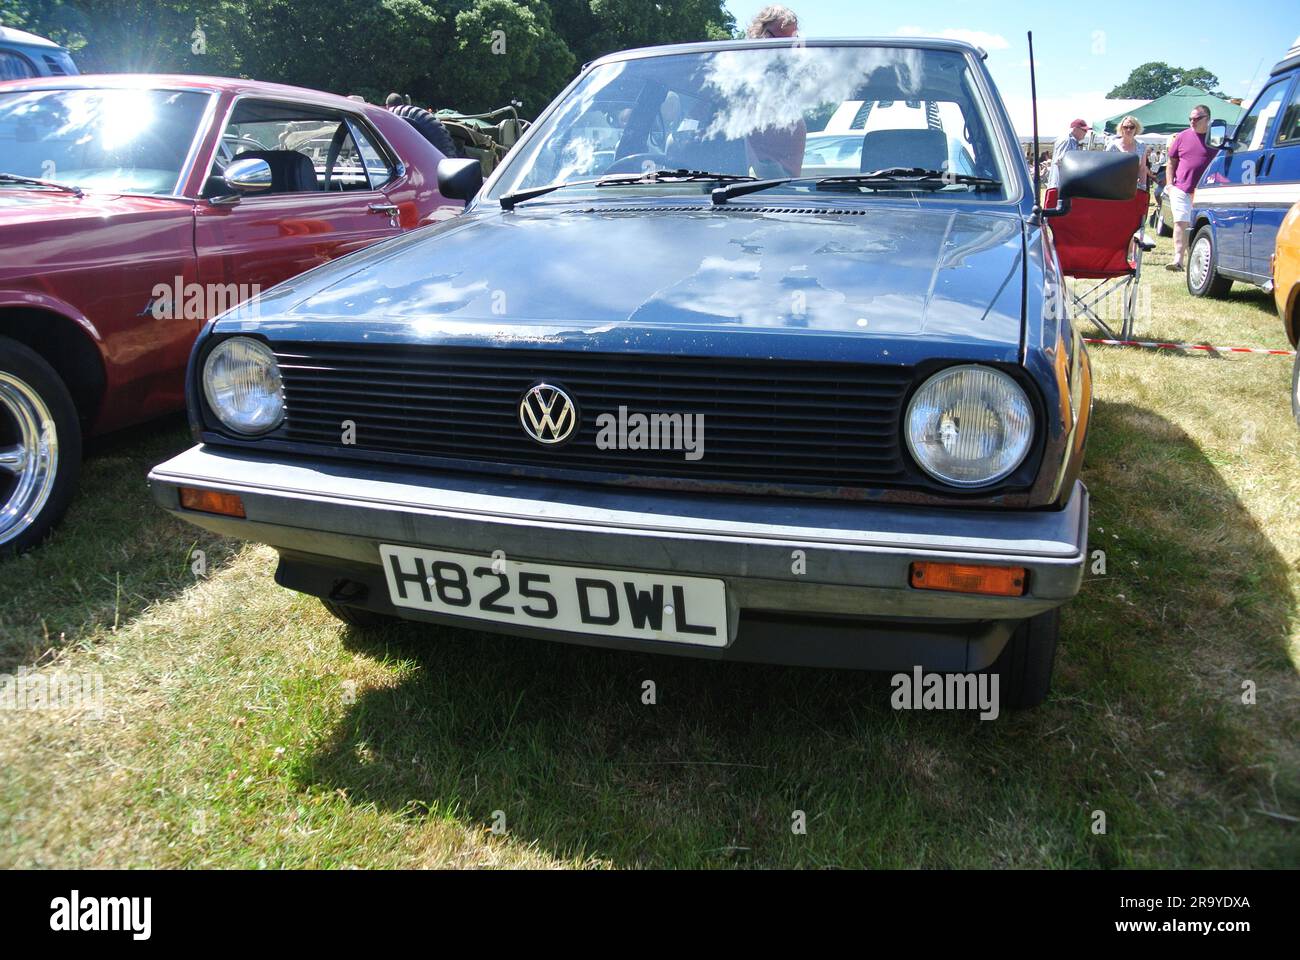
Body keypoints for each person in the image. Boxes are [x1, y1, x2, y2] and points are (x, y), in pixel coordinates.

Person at [1164, 104, 1217, 271]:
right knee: (1181, 222)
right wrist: (1170, 185)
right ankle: (1178, 259)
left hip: (1206, 191)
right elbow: (1171, 162)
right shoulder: (1181, 136)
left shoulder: (1216, 139)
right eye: (1190, 119)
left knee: (1200, 226)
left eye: (1197, 118)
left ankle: (1196, 260)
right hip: (1181, 188)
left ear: (1207, 119)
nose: (1192, 121)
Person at [1049, 119, 1090, 188]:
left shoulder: (1072, 141)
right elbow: (1061, 161)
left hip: (1063, 184)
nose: (1086, 132)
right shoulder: (1067, 140)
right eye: (1084, 130)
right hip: (1061, 185)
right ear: (1075, 129)